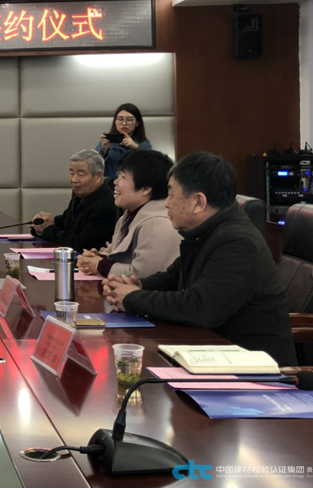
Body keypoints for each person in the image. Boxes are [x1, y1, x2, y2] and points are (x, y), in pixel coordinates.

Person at [103, 152, 296, 365]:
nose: (166, 204)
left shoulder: (237, 242)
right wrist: (137, 285)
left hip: (254, 369)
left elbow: (200, 307)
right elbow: (174, 277)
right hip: (212, 354)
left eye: (171, 195)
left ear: (198, 202)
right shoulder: (206, 231)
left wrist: (132, 298)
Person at [77, 149, 181, 278]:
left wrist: (100, 265)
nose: (115, 182)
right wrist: (98, 258)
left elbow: (142, 274)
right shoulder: (130, 214)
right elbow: (114, 253)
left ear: (145, 189)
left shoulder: (156, 223)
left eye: (123, 177)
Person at [31, 149, 118, 252]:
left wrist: (49, 229)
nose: (74, 180)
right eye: (71, 173)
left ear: (98, 176)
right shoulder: (80, 196)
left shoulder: (105, 206)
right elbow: (65, 224)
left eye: (80, 174)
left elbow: (80, 246)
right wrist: (42, 225)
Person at [95, 103, 153, 179]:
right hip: (109, 183)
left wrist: (136, 148)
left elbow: (151, 166)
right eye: (120, 119)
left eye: (129, 120)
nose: (124, 123)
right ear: (115, 122)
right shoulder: (107, 142)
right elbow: (94, 166)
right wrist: (104, 150)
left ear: (137, 123)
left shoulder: (144, 143)